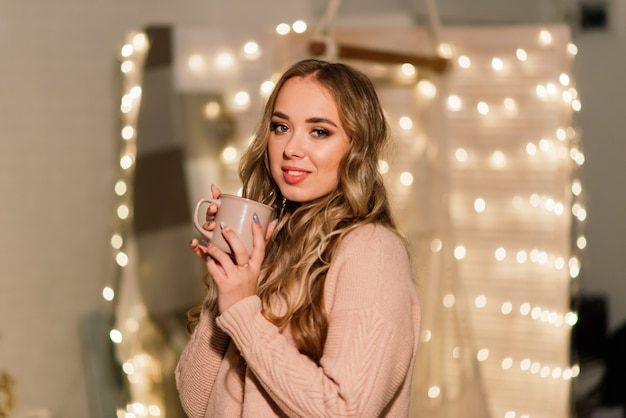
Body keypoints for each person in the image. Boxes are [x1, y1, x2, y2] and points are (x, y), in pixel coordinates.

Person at [175, 58, 421, 417]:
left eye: (319, 131)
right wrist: (228, 281)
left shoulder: (372, 251)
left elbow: (343, 411)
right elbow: (196, 401)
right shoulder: (274, 245)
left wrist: (245, 314)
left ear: (358, 146)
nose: (291, 148)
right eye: (281, 127)